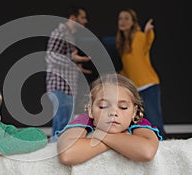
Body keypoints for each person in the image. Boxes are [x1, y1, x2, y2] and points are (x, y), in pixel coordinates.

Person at [57, 73, 162, 165]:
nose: (113, 112)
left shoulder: (138, 122)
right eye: (103, 106)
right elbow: (66, 154)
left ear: (134, 112)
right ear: (91, 110)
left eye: (123, 107)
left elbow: (147, 152)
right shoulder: (84, 120)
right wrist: (122, 141)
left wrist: (100, 136)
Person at [116, 8, 165, 136]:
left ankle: (164, 150)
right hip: (135, 90)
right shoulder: (121, 44)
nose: (122, 21)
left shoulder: (138, 36)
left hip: (149, 85)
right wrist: (120, 76)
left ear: (133, 22)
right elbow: (128, 67)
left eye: (126, 18)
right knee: (141, 123)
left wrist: (148, 31)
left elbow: (147, 41)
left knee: (155, 122)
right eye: (120, 18)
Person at [45, 5, 92, 140]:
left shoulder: (69, 35)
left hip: (68, 87)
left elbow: (62, 58)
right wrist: (72, 59)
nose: (85, 21)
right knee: (61, 125)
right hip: (60, 86)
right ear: (72, 18)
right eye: (82, 18)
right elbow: (50, 56)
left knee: (65, 124)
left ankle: (60, 152)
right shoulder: (60, 32)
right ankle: (56, 154)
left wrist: (77, 67)